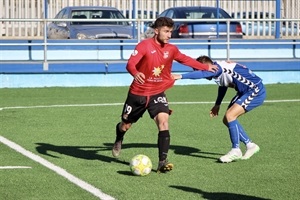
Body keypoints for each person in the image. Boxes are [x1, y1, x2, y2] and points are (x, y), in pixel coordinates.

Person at [112, 17, 218, 173]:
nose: (169, 35)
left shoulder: (172, 49)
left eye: (171, 31)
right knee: (125, 125)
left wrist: (204, 67)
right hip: (138, 93)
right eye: (166, 31)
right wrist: (135, 73)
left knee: (163, 121)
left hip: (157, 92)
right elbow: (130, 64)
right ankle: (119, 137)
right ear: (156, 31)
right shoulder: (144, 46)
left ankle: (162, 161)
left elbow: (185, 59)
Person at [172, 55, 266, 163]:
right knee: (227, 119)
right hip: (244, 92)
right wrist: (217, 104)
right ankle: (250, 145)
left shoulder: (217, 68)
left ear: (207, 66)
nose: (204, 75)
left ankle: (236, 150)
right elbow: (223, 84)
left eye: (201, 69)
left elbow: (202, 73)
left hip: (255, 91)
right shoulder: (219, 68)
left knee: (230, 116)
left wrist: (179, 76)